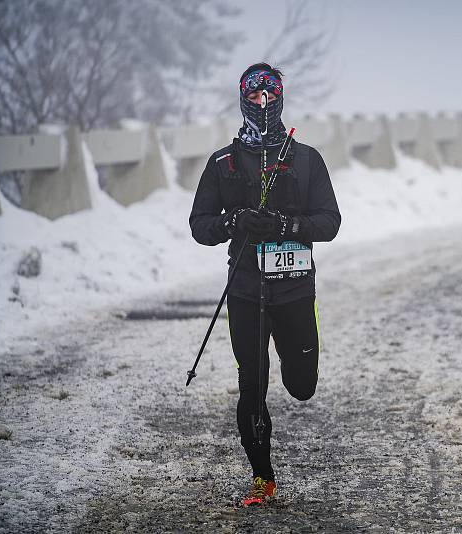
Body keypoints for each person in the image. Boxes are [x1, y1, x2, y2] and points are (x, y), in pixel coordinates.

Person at [189, 63, 341, 506]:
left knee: (302, 386)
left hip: (295, 291)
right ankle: (262, 477)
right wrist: (234, 221)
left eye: (270, 96)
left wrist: (286, 224)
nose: (263, 103)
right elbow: (199, 225)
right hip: (244, 293)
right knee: (252, 383)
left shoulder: (306, 159)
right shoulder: (223, 162)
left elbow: (330, 222)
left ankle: (300, 374)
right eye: (254, 97)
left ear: (282, 99)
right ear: (242, 100)